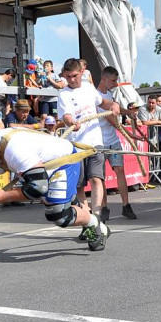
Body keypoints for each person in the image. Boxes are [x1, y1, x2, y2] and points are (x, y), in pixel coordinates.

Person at [0, 128, 110, 250]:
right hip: (40, 165)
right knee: (58, 205)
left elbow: (38, 188)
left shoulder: (15, 151)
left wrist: (5, 197)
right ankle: (79, 211)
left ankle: (94, 223)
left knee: (60, 216)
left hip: (62, 164)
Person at [58, 57, 120, 226]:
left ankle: (98, 215)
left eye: (75, 75)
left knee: (96, 179)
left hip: (95, 142)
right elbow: (66, 115)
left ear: (82, 73)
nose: (72, 79)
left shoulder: (88, 88)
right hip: (76, 145)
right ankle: (87, 217)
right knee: (79, 185)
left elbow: (102, 103)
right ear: (64, 75)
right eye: (68, 76)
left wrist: (113, 105)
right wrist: (71, 123)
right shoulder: (64, 94)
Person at [96, 67, 137, 221]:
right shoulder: (96, 96)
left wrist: (129, 113)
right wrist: (128, 133)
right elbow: (110, 119)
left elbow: (117, 110)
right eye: (113, 80)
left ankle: (126, 205)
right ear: (104, 79)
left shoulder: (109, 94)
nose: (115, 83)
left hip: (113, 141)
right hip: (100, 142)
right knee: (100, 176)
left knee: (120, 170)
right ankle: (104, 207)